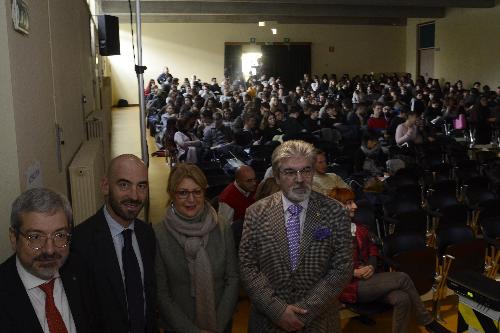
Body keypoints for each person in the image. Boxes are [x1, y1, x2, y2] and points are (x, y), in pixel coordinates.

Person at [239, 140, 353, 332]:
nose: (299, 179)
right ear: (276, 176)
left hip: (319, 321)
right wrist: (277, 311)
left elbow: (342, 267)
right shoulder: (256, 213)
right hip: (269, 322)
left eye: (306, 170)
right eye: (290, 172)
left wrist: (305, 311)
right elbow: (247, 266)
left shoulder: (336, 211)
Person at [330, 188, 450, 333]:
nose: (355, 206)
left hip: (371, 280)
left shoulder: (360, 228)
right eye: (349, 203)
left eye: (353, 202)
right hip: (350, 286)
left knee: (403, 298)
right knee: (403, 278)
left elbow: (373, 250)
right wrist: (354, 272)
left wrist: (371, 266)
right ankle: (428, 321)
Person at [71, 154, 157, 333]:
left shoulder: (147, 234)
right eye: (124, 185)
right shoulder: (80, 242)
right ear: (105, 186)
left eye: (141, 186)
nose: (134, 196)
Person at [154, 163, 239, 333]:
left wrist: (218, 325)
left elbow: (233, 278)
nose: (191, 199)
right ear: (172, 194)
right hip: (179, 328)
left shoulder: (221, 226)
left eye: (197, 192)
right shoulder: (158, 234)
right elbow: (161, 294)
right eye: (183, 193)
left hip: (220, 325)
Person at [0, 188, 96, 332]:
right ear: (14, 238)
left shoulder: (81, 269)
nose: (49, 250)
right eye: (36, 237)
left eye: (60, 235)